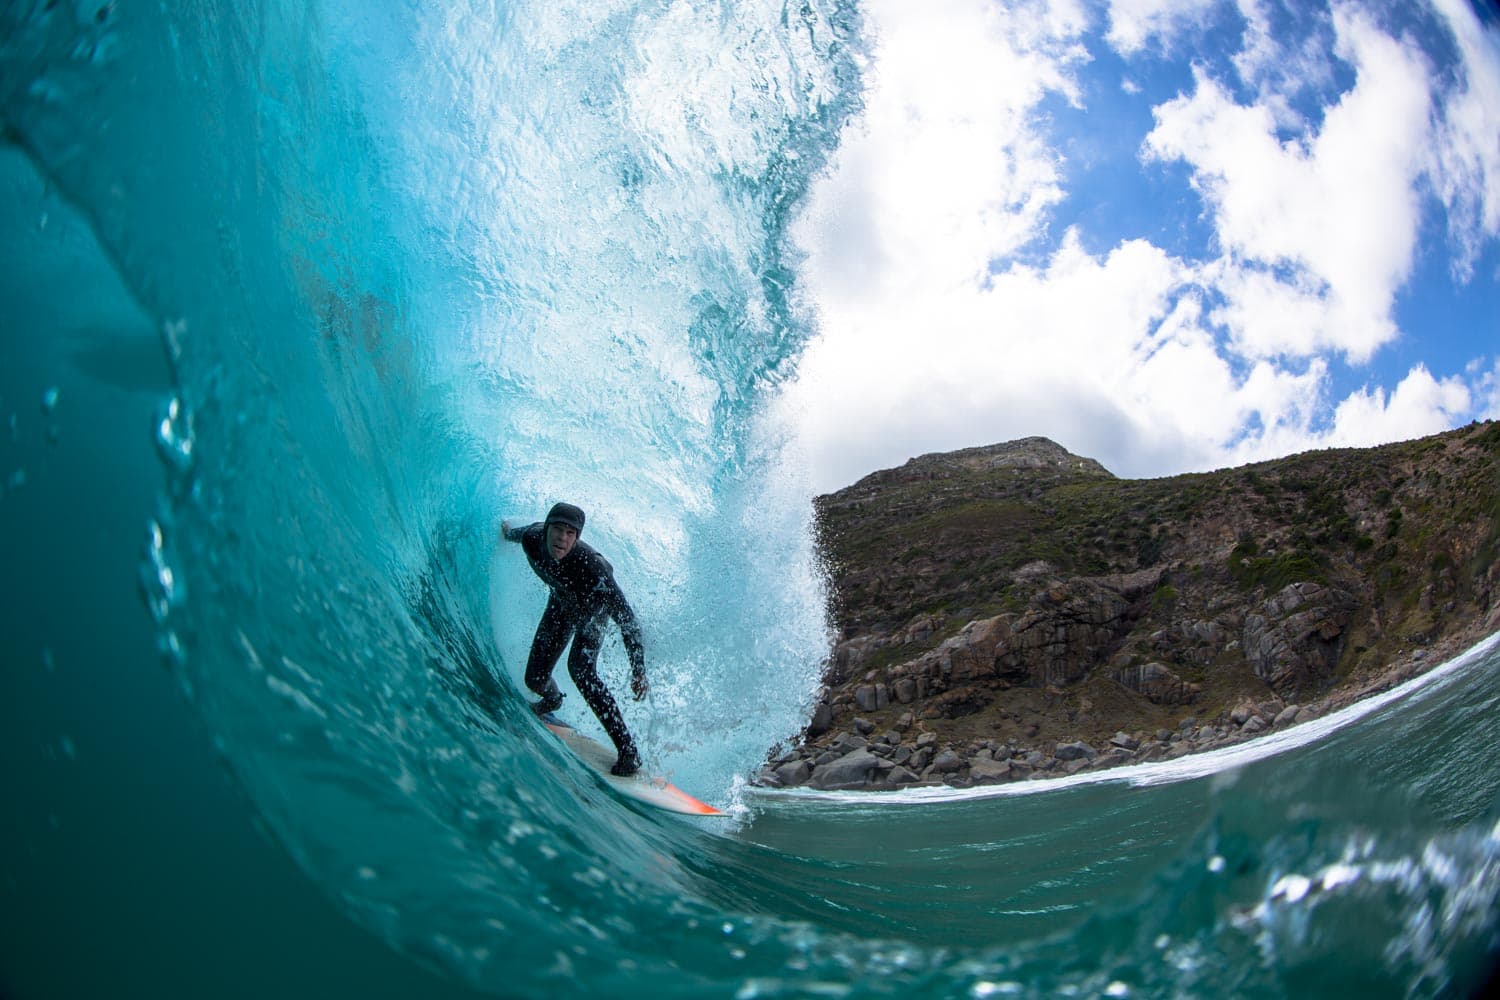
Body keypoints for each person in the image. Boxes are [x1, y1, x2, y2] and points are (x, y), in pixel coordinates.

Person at [499, 502, 648, 776]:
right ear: (546, 528)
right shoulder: (532, 538)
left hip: (593, 613)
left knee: (580, 671)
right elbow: (515, 533)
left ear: (577, 538)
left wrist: (638, 670)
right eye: (557, 529)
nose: (562, 538)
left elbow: (628, 621)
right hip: (561, 604)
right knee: (534, 679)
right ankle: (553, 699)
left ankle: (629, 751)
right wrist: (505, 532)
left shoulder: (594, 569)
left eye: (570, 533)